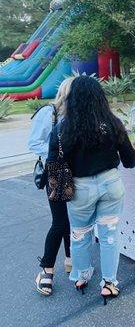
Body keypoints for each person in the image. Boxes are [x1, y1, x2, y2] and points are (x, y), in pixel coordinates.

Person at [47, 76, 135, 304]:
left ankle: (81, 275)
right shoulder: (112, 122)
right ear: (100, 97)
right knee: (109, 236)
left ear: (73, 98)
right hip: (111, 185)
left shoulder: (60, 130)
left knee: (79, 235)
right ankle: (109, 283)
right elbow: (130, 160)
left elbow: (53, 163)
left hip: (80, 189)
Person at [29, 77, 74, 296]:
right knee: (60, 221)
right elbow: (34, 142)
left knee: (73, 219)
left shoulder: (77, 115)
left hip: (77, 171)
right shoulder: (49, 113)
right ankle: (46, 269)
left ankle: (70, 258)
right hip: (55, 171)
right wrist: (57, 151)